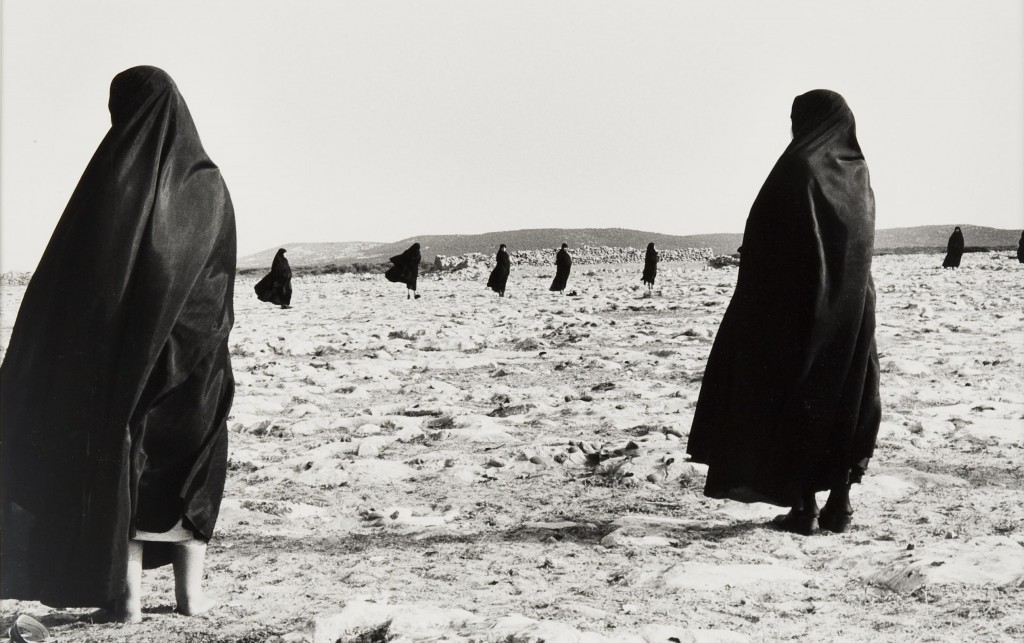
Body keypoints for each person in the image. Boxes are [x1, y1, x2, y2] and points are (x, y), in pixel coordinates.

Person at [0, 66, 235, 622]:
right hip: (198, 359)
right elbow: (217, 277)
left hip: (131, 362)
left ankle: (126, 601)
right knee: (191, 471)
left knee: (128, 466)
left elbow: (83, 278)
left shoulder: (116, 178)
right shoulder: (208, 182)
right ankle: (190, 598)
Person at [686, 89, 880, 536]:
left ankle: (805, 506)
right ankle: (840, 505)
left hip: (800, 309)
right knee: (847, 397)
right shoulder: (858, 173)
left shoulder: (797, 168)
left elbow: (769, 243)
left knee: (796, 396)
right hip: (852, 310)